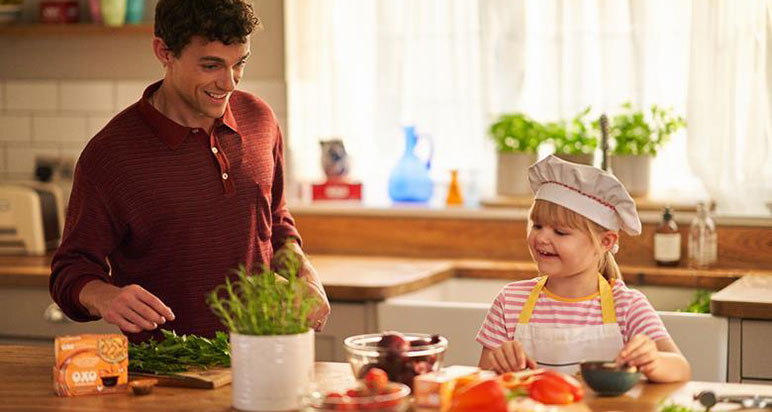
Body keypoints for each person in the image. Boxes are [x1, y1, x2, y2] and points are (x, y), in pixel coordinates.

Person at [49, 0, 330, 343]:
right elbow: (70, 270)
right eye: (211, 65)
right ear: (164, 51)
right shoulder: (110, 155)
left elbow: (276, 221)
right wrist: (104, 296)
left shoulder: (261, 120)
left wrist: (304, 271)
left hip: (269, 352)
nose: (229, 83)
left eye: (239, 63)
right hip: (167, 372)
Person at [476, 155, 690, 383]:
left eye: (560, 232)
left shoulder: (627, 307)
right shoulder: (510, 302)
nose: (541, 238)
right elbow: (482, 379)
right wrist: (498, 363)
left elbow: (681, 368)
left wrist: (653, 360)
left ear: (606, 242)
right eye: (537, 225)